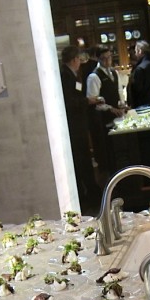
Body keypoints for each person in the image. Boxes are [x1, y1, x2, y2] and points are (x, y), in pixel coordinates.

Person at [59, 46, 102, 209]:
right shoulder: (66, 75)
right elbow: (69, 102)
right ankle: (88, 196)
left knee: (84, 159)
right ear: (74, 59)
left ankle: (91, 192)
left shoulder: (72, 74)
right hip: (74, 127)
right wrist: (87, 101)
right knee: (81, 160)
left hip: (79, 125)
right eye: (78, 59)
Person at [86, 47, 126, 174]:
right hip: (103, 118)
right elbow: (94, 101)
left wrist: (122, 104)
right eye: (104, 58)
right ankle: (111, 173)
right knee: (108, 149)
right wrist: (110, 108)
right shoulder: (94, 76)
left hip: (118, 115)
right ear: (98, 59)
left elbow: (119, 91)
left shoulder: (114, 73)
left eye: (109, 57)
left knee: (119, 147)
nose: (108, 61)